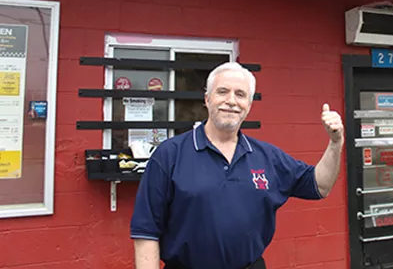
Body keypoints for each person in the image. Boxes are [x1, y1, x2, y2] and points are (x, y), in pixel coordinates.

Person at [130, 62, 344, 269]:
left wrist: (336, 143)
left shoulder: (267, 156)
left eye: (240, 95)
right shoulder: (170, 155)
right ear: (207, 99)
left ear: (248, 105)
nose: (231, 101)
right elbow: (146, 231)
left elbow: (320, 185)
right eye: (222, 92)